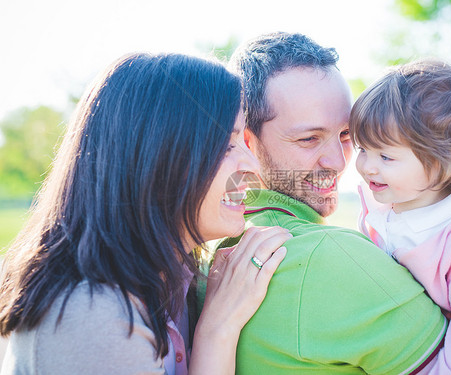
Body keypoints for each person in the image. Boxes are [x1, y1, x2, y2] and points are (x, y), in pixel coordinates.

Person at [221, 32, 451, 374]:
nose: (340, 163)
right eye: (309, 138)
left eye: (346, 136)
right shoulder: (320, 258)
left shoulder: (226, 240)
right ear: (247, 143)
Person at [0, 53, 292, 374]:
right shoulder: (91, 315)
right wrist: (218, 329)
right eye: (226, 146)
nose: (252, 166)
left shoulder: (177, 281)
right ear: (159, 159)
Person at [351, 59, 451, 374]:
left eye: (386, 156)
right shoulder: (385, 201)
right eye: (363, 149)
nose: (366, 167)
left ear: (449, 160)